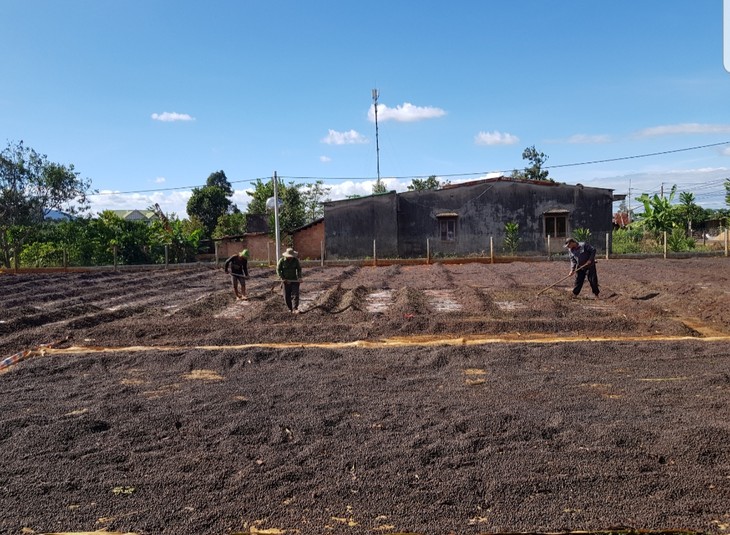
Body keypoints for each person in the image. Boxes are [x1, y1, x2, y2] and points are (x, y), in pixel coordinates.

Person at [276, 247, 302, 313]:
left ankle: (295, 308)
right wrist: (283, 278)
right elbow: (278, 270)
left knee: (295, 294)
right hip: (285, 281)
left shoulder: (295, 261)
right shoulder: (281, 261)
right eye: (289, 256)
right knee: (286, 296)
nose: (291, 257)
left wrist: (299, 277)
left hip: (294, 280)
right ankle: (290, 308)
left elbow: (299, 269)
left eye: (292, 256)